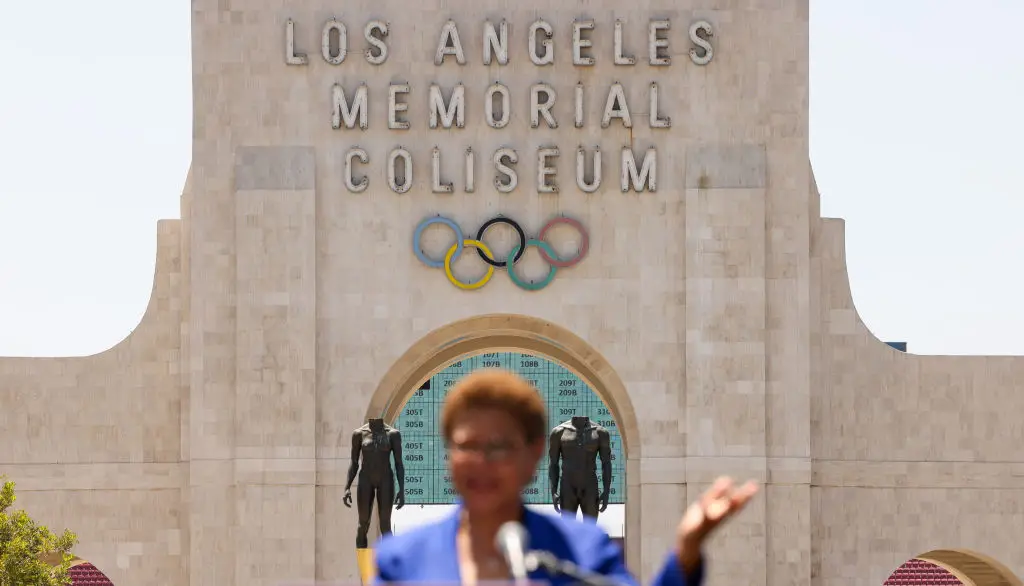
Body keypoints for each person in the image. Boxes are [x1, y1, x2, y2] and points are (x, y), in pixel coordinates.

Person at [373, 369, 758, 586]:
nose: (481, 463)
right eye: (467, 446)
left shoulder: (582, 552)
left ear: (534, 454)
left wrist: (686, 552)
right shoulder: (401, 560)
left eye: (499, 448)